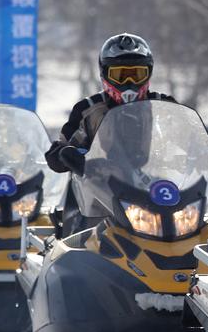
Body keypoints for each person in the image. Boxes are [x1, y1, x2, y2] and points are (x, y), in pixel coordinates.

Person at [45, 34, 177, 237]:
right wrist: (64, 154)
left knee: (193, 230)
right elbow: (64, 144)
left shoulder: (164, 106)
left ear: (149, 74)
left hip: (156, 191)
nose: (130, 83)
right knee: (84, 241)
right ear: (105, 74)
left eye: (137, 74)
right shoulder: (88, 109)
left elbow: (190, 134)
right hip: (99, 198)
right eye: (121, 75)